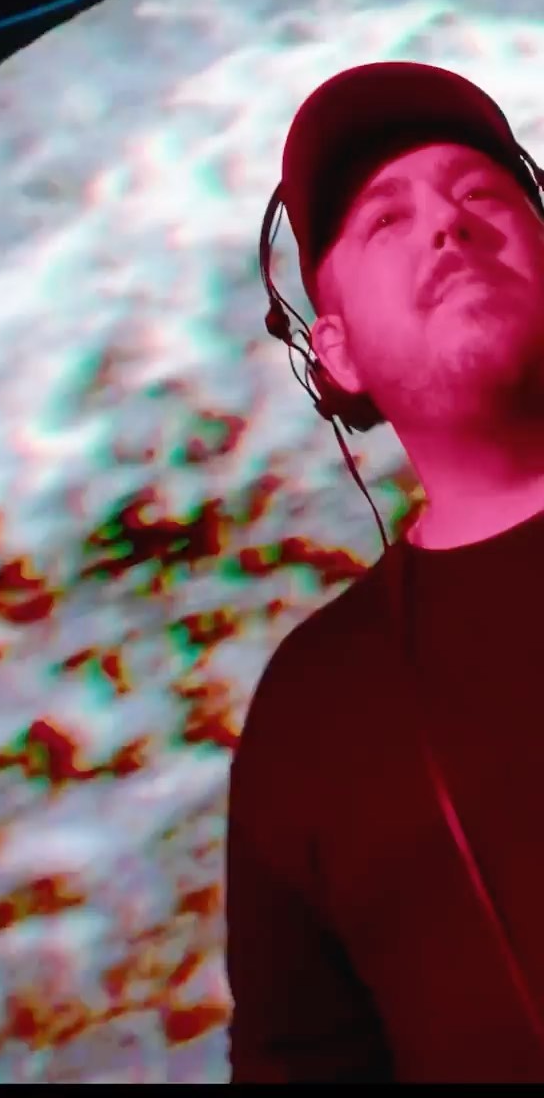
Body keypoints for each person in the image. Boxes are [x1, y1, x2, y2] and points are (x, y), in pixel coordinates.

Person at [225, 62, 544, 1083]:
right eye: (387, 222)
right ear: (336, 354)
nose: (447, 224)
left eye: (481, 194)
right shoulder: (311, 715)